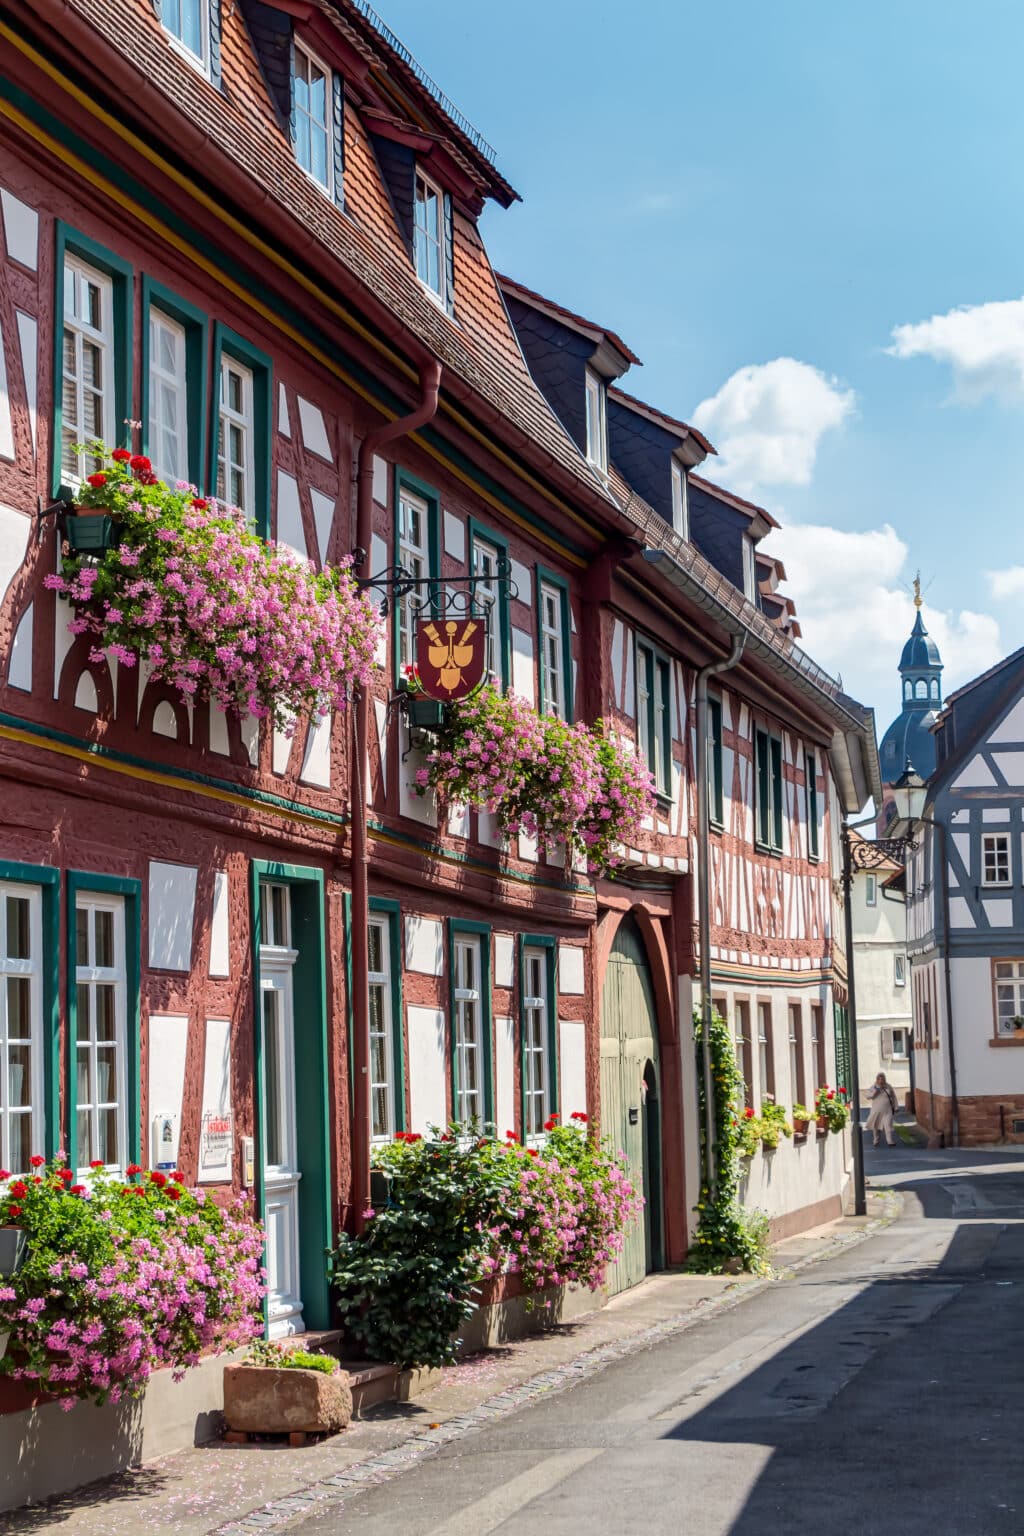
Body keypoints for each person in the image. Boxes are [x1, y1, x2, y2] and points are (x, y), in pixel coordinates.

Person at [865, 1072, 899, 1147]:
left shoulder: (888, 1086)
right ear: (877, 1080)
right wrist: (874, 1093)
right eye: (879, 1079)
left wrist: (896, 1107)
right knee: (876, 1127)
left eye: (883, 1079)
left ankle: (890, 1141)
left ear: (884, 1079)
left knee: (888, 1125)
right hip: (876, 1110)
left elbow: (893, 1097)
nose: (881, 1081)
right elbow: (867, 1096)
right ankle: (876, 1140)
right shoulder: (873, 1087)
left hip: (888, 1110)